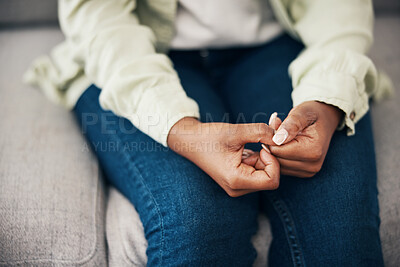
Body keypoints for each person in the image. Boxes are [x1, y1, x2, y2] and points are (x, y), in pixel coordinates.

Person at [25, 0, 385, 265]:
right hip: (130, 54)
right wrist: (182, 130)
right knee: (198, 223)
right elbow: (98, 17)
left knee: (342, 227)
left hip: (281, 44)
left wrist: (327, 98)